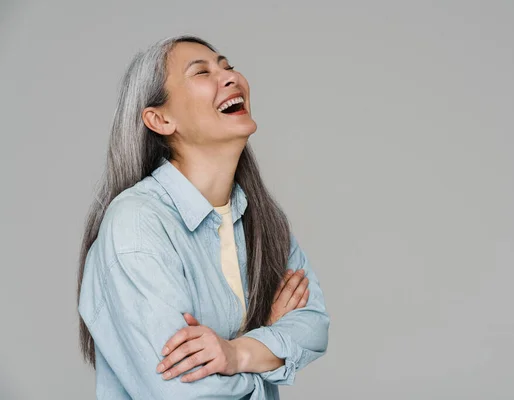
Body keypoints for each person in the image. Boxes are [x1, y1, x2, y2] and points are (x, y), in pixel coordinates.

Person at [76, 35, 330, 399]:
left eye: (227, 66)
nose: (230, 77)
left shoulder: (264, 221)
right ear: (160, 119)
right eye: (202, 72)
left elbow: (314, 326)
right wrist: (268, 349)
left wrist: (236, 353)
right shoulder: (136, 224)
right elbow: (185, 390)